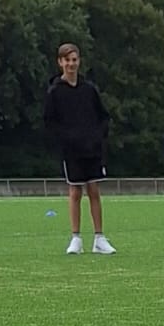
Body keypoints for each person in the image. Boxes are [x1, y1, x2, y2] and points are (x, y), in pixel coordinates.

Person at [43, 42, 115, 255]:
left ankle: (99, 238)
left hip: (92, 148)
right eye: (67, 60)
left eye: (74, 60)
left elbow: (103, 116)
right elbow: (50, 122)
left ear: (79, 61)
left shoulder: (89, 89)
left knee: (94, 190)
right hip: (72, 150)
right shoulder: (55, 92)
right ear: (60, 62)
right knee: (75, 191)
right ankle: (76, 238)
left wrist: (98, 137)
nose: (71, 64)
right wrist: (66, 140)